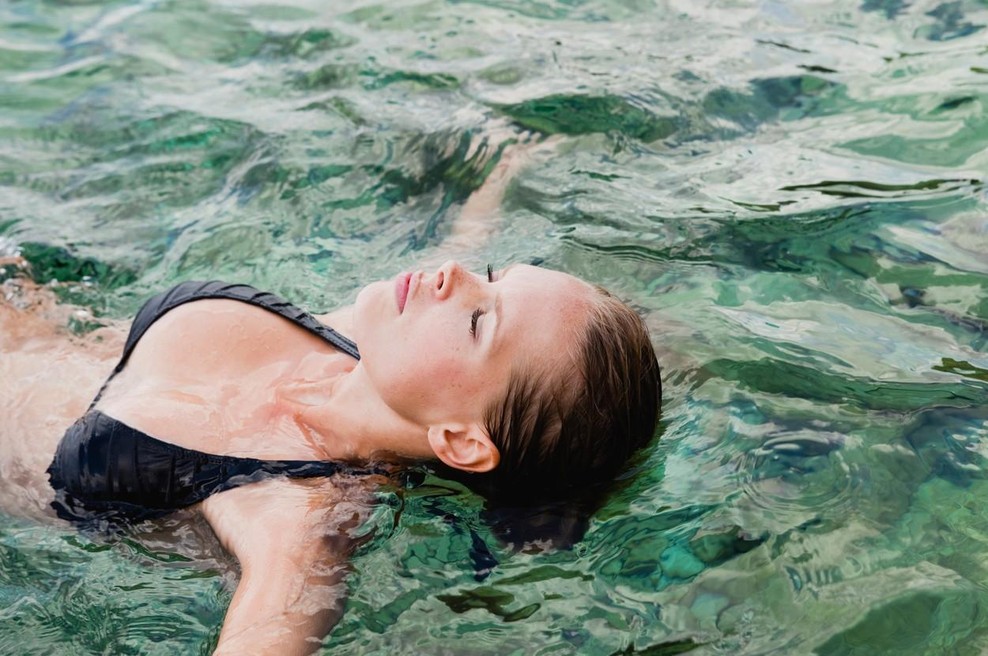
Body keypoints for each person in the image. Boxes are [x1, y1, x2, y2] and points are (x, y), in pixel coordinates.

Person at [0, 133, 661, 655]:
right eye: (491, 276)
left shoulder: (297, 516)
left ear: (460, 439)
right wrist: (499, 168)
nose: (454, 275)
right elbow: (458, 248)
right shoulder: (365, 340)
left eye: (480, 318)